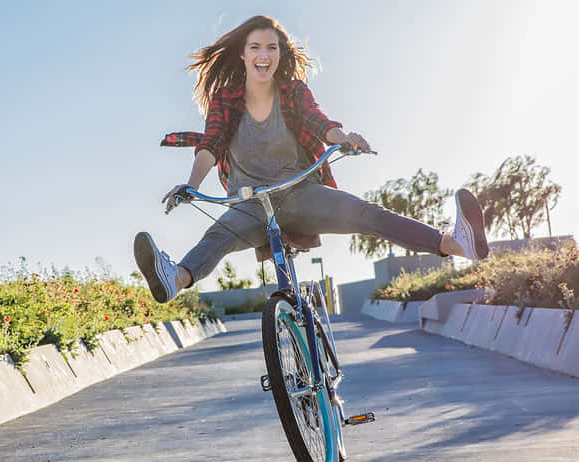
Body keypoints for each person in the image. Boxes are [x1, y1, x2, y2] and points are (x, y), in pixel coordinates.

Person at [134, 15, 488, 304]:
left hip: (300, 193)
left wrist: (344, 138)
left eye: (271, 47)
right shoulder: (225, 99)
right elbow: (210, 145)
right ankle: (174, 278)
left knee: (367, 214)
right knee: (218, 236)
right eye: (255, 46)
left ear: (279, 54)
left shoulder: (293, 90)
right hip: (250, 202)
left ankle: (454, 243)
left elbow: (318, 123)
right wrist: (191, 187)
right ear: (242, 54)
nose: (263, 54)